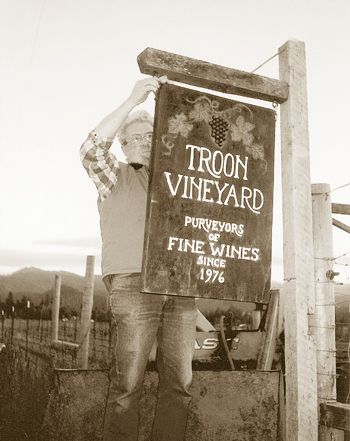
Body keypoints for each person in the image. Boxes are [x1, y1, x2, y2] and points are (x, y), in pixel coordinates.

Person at [80, 76, 197, 441]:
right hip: (133, 283)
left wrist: (173, 105)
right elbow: (90, 150)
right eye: (137, 138)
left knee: (179, 382)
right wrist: (134, 99)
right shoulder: (115, 177)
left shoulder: (178, 181)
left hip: (179, 285)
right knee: (128, 383)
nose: (146, 143)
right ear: (125, 146)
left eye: (152, 136)